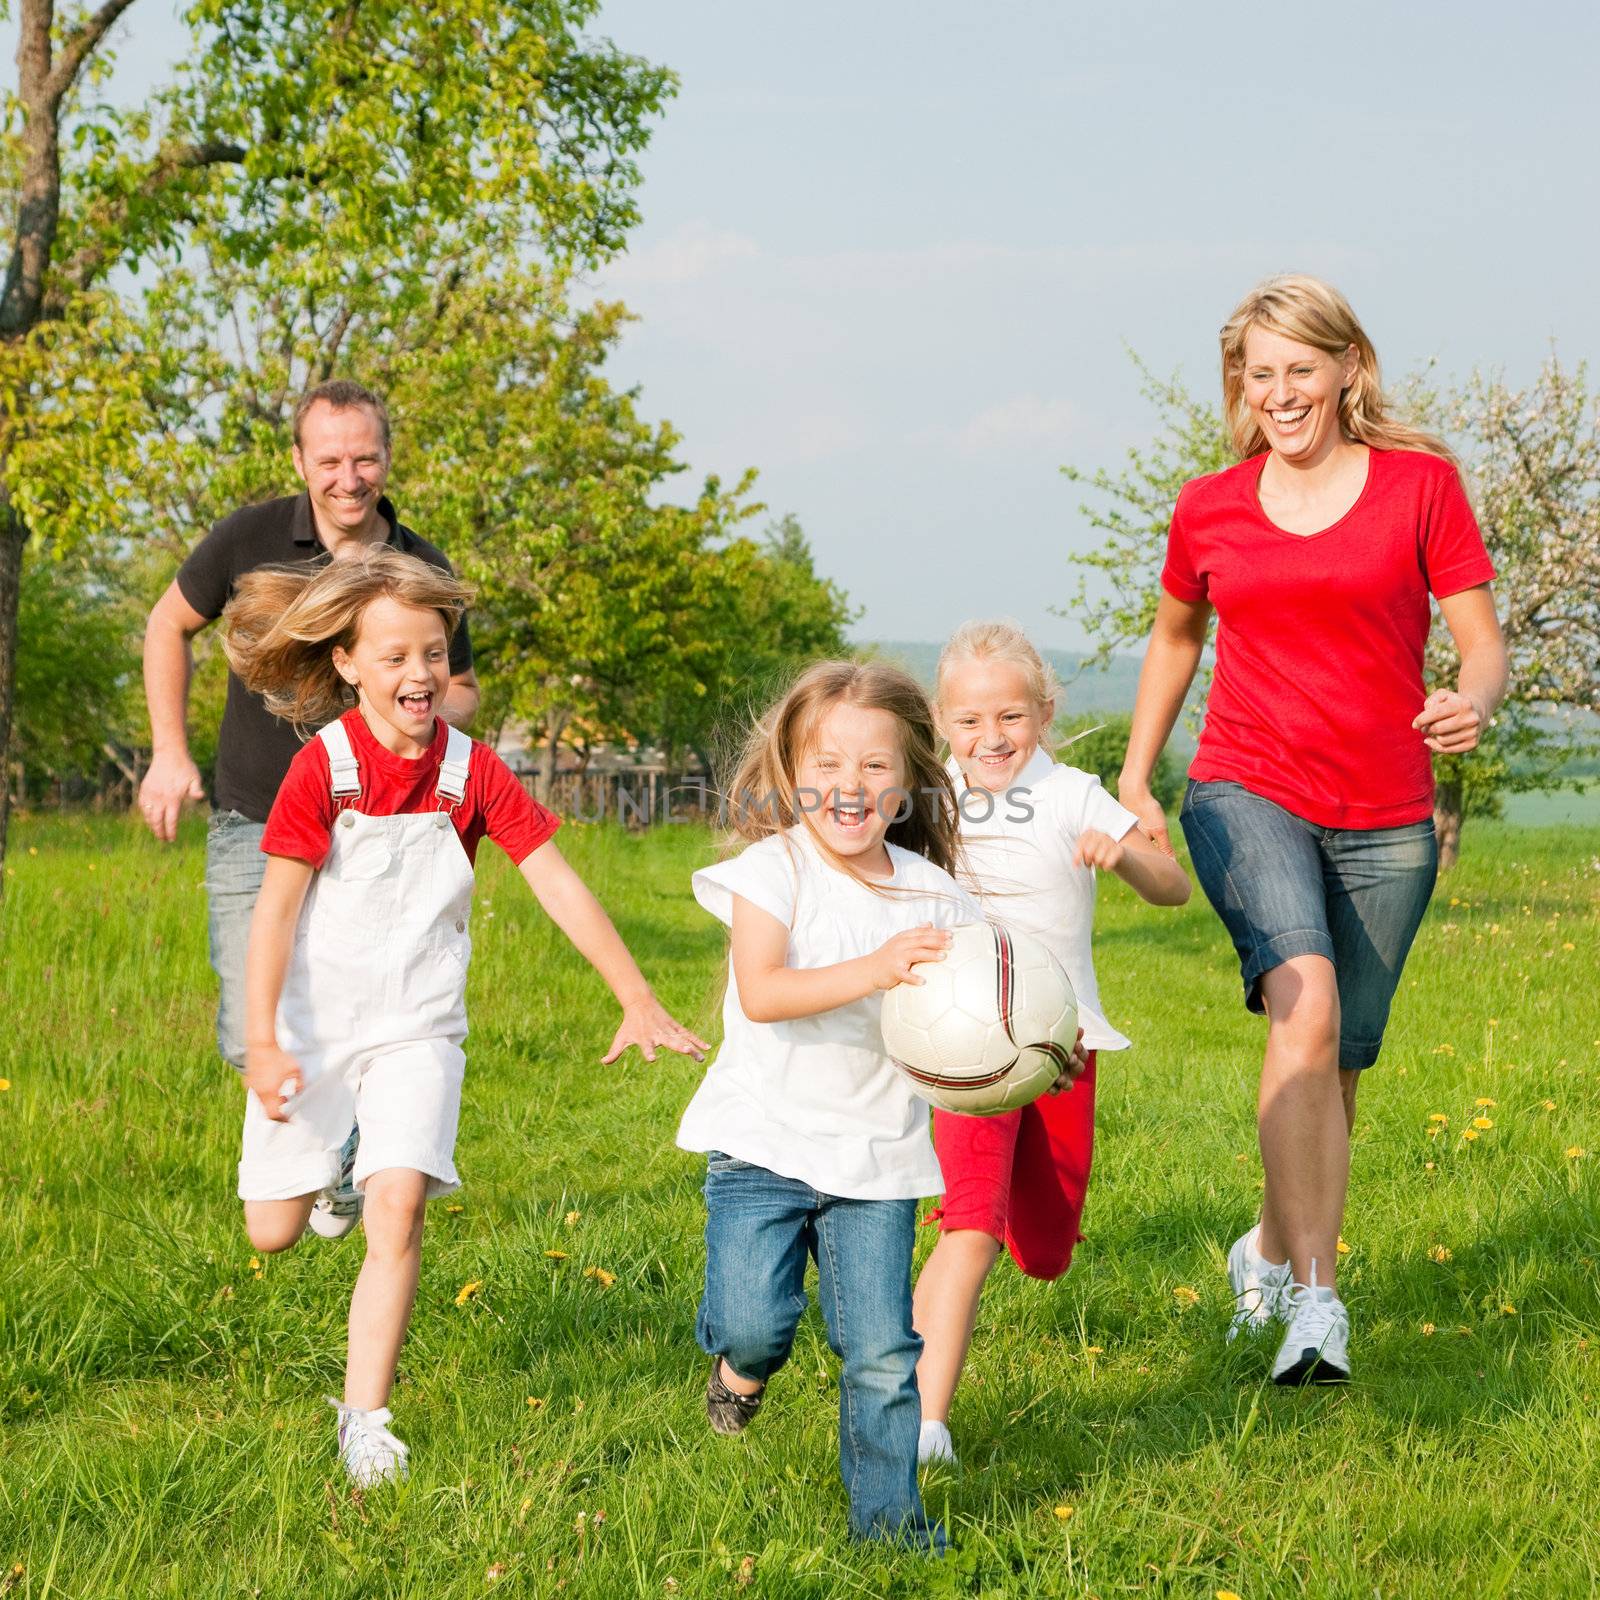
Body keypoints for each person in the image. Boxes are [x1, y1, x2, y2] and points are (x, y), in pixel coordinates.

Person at [224, 547, 706, 1486]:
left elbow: (558, 883)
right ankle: (338, 1175)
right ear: (349, 665)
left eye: (434, 654)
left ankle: (364, 1420)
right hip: (317, 1027)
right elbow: (273, 913)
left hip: (419, 1025)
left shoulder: (472, 773)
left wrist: (635, 993)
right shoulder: (323, 770)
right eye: (396, 656)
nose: (419, 675)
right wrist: (261, 1041)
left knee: (398, 1210)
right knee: (269, 1230)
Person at [1118, 274, 1508, 1385]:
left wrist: (1470, 701)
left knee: (1330, 1064)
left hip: (1387, 811)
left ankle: (1268, 1241)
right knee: (1308, 1001)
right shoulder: (1209, 505)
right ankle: (1315, 1305)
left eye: (1300, 369)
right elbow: (1174, 640)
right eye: (1259, 374)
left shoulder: (1420, 489)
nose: (1280, 393)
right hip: (1246, 787)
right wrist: (1139, 775)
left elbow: (1480, 641)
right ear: (1238, 387)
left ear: (1345, 368)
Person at [677, 661, 1068, 1550]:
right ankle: (739, 1367)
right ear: (790, 770)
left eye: (875, 768)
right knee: (756, 1320)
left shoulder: (936, 895)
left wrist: (1044, 1051)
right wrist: (881, 965)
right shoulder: (770, 872)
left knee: (885, 1354)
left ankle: (890, 1529)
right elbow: (765, 990)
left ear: (908, 785)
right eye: (827, 763)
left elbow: (993, 997)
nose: (849, 786)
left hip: (879, 1160)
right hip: (761, 1147)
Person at [140, 379, 477, 1238]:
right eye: (330, 459)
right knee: (245, 1023)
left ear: (387, 457)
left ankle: (362, 1149)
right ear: (300, 462)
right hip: (256, 815)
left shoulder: (417, 564)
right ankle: (330, 1151)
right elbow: (165, 626)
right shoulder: (249, 540)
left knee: (367, 996)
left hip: (372, 829)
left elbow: (460, 688)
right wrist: (170, 752)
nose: (349, 476)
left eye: (365, 457)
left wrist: (409, 694)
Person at [910, 621, 1189, 1468]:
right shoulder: (928, 799)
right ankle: (919, 1426)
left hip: (1063, 1051)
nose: (989, 738)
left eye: (1009, 717)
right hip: (960, 1046)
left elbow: (1173, 886)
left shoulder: (1073, 792)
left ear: (1043, 711)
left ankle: (994, 1248)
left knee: (1047, 1245)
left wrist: (1124, 856)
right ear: (941, 722)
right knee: (971, 1226)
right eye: (968, 720)